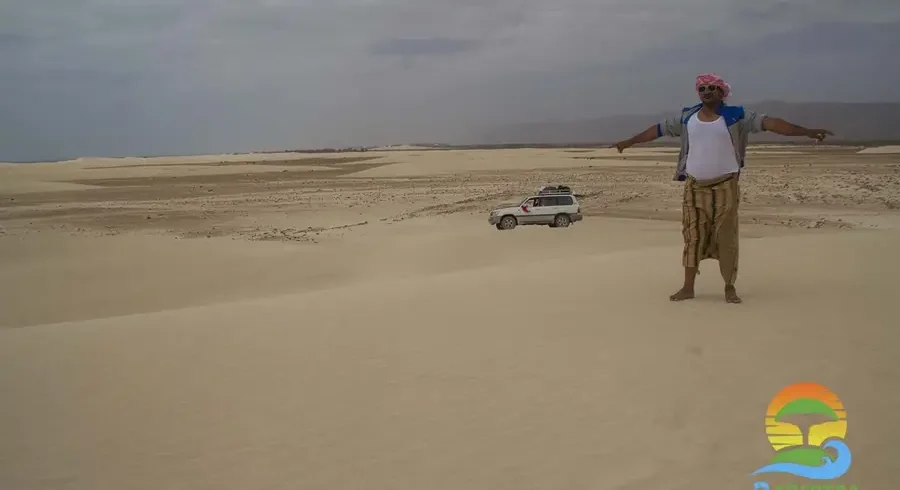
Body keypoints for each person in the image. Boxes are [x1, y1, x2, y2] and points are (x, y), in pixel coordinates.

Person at [609, 73, 833, 304]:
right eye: (703, 88)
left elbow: (773, 124)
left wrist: (806, 131)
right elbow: (657, 130)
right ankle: (688, 287)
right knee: (692, 235)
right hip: (694, 186)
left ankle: (729, 287)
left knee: (726, 236)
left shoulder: (737, 116)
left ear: (722, 92)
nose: (707, 92)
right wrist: (629, 142)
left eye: (712, 88)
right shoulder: (688, 118)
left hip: (726, 185)